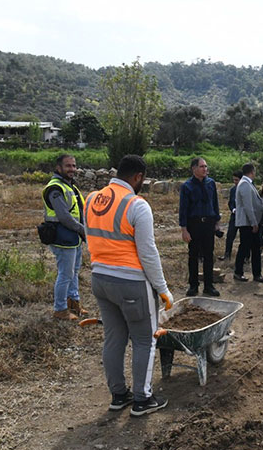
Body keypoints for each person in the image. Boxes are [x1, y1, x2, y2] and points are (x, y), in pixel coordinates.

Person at [85, 154, 171, 416]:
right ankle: (143, 400)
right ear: (138, 177)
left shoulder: (91, 199)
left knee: (114, 338)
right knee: (145, 339)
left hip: (100, 279)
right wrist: (162, 289)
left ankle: (119, 395)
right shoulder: (137, 205)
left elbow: (89, 237)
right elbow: (148, 252)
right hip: (131, 283)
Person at [42, 154, 87, 321]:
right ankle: (60, 309)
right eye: (68, 166)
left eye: (74, 166)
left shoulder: (70, 187)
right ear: (58, 168)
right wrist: (83, 230)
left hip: (73, 237)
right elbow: (64, 216)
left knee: (74, 272)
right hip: (62, 237)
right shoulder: (55, 189)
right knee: (65, 274)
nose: (72, 169)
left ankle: (73, 303)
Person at [179, 157, 221, 297]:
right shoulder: (187, 186)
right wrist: (184, 229)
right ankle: (193, 285)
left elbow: (215, 203)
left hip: (208, 223)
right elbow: (183, 209)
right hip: (194, 223)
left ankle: (209, 286)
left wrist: (217, 221)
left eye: (206, 166)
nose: (205, 169)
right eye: (202, 166)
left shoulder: (211, 183)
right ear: (194, 168)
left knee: (209, 255)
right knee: (193, 255)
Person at [233, 163, 263, 283]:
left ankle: (257, 273)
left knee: (255, 248)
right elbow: (248, 206)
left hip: (250, 222)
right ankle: (238, 272)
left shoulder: (247, 184)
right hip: (247, 223)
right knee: (245, 248)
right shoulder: (245, 184)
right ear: (252, 172)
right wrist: (254, 222)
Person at [218, 171, 241, 261]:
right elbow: (230, 203)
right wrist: (233, 209)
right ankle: (227, 255)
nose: (235, 182)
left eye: (237, 180)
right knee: (230, 236)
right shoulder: (233, 190)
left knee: (244, 238)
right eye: (234, 180)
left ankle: (245, 257)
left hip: (243, 217)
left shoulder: (246, 189)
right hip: (234, 216)